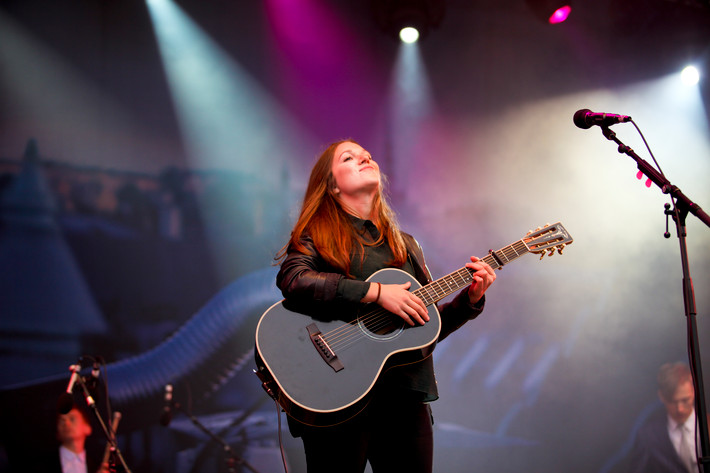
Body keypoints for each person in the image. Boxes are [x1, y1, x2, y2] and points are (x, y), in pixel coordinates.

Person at [275, 139, 496, 473]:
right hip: (336, 395)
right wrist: (376, 292)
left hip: (405, 397)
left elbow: (424, 329)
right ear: (332, 186)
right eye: (349, 158)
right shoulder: (315, 235)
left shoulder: (406, 245)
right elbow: (294, 280)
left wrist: (470, 300)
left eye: (367, 155)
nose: (365, 157)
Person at [630, 362, 703, 473]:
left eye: (685, 400)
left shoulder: (707, 425)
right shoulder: (648, 436)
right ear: (661, 396)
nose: (680, 409)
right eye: (672, 402)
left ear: (694, 391)